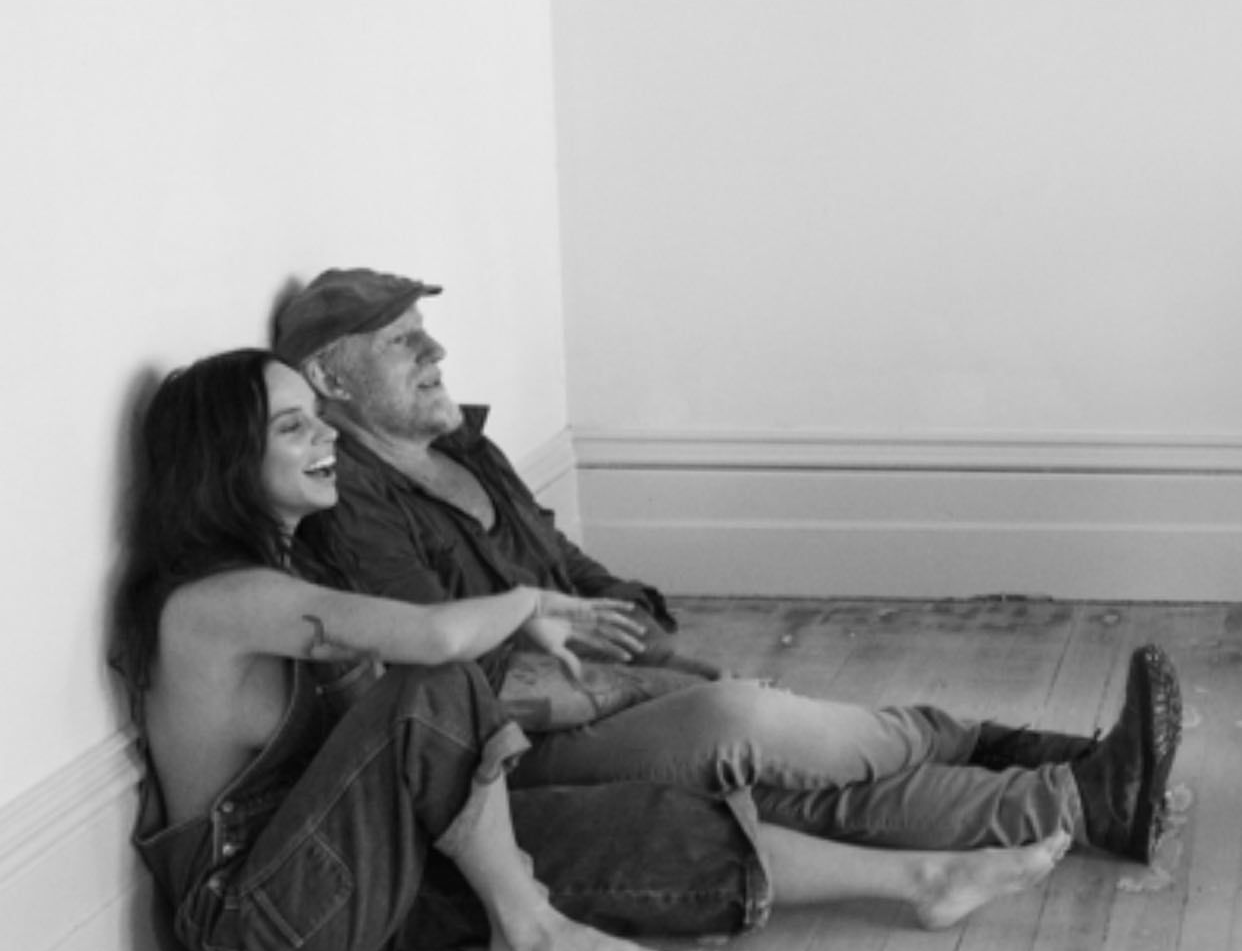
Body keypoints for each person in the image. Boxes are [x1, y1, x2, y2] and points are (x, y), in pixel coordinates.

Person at [113, 350, 1083, 951]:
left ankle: (924, 878)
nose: (325, 439)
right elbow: (437, 645)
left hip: (353, 864)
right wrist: (531, 605)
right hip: (263, 918)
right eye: (294, 428)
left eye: (319, 419)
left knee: (634, 826)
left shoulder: (296, 572)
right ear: (224, 463)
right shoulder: (215, 603)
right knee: (432, 687)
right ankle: (529, 930)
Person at [273, 267, 1184, 868]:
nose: (435, 352)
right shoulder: (348, 503)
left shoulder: (461, 447)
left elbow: (561, 559)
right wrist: (644, 687)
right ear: (330, 380)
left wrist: (647, 637)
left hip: (592, 691)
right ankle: (1024, 761)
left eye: (425, 330)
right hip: (512, 750)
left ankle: (1076, 793)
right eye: (401, 341)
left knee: (784, 781)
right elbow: (446, 679)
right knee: (744, 725)